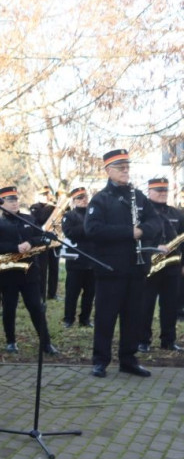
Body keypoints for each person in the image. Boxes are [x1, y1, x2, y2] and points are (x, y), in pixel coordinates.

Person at [84, 149, 160, 378]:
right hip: (110, 269)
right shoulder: (101, 199)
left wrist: (142, 230)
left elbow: (155, 222)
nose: (126, 171)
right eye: (120, 168)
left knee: (133, 318)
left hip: (136, 268)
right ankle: (100, 361)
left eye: (127, 167)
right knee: (105, 318)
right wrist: (129, 232)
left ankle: (128, 360)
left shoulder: (139, 197)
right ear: (108, 170)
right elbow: (93, 229)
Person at [0, 186, 58, 355]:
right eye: (9, 201)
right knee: (9, 308)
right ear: (0, 203)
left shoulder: (28, 219)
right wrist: (15, 247)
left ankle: (46, 343)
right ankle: (10, 341)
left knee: (36, 307)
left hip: (29, 272)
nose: (14, 203)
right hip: (7, 272)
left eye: (16, 200)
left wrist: (31, 243)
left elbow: (40, 237)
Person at [139, 177, 184, 352]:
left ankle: (168, 340)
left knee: (170, 306)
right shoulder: (142, 214)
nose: (163, 193)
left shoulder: (177, 214)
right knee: (145, 305)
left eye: (165, 190)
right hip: (149, 265)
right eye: (158, 190)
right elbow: (138, 238)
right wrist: (153, 247)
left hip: (172, 266)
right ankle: (143, 340)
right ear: (149, 192)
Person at [60, 187, 95, 328]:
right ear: (73, 201)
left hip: (92, 259)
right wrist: (88, 227)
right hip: (76, 260)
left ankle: (85, 319)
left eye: (85, 197)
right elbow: (70, 232)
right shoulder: (69, 216)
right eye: (79, 198)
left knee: (90, 293)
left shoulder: (93, 214)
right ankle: (69, 319)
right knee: (72, 292)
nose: (83, 200)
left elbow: (98, 231)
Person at [30, 186, 60, 300]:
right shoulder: (35, 207)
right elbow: (40, 220)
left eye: (47, 194)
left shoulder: (53, 207)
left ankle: (52, 293)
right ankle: (41, 293)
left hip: (54, 241)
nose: (46, 196)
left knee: (54, 268)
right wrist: (51, 208)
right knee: (42, 269)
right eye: (43, 194)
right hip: (42, 242)